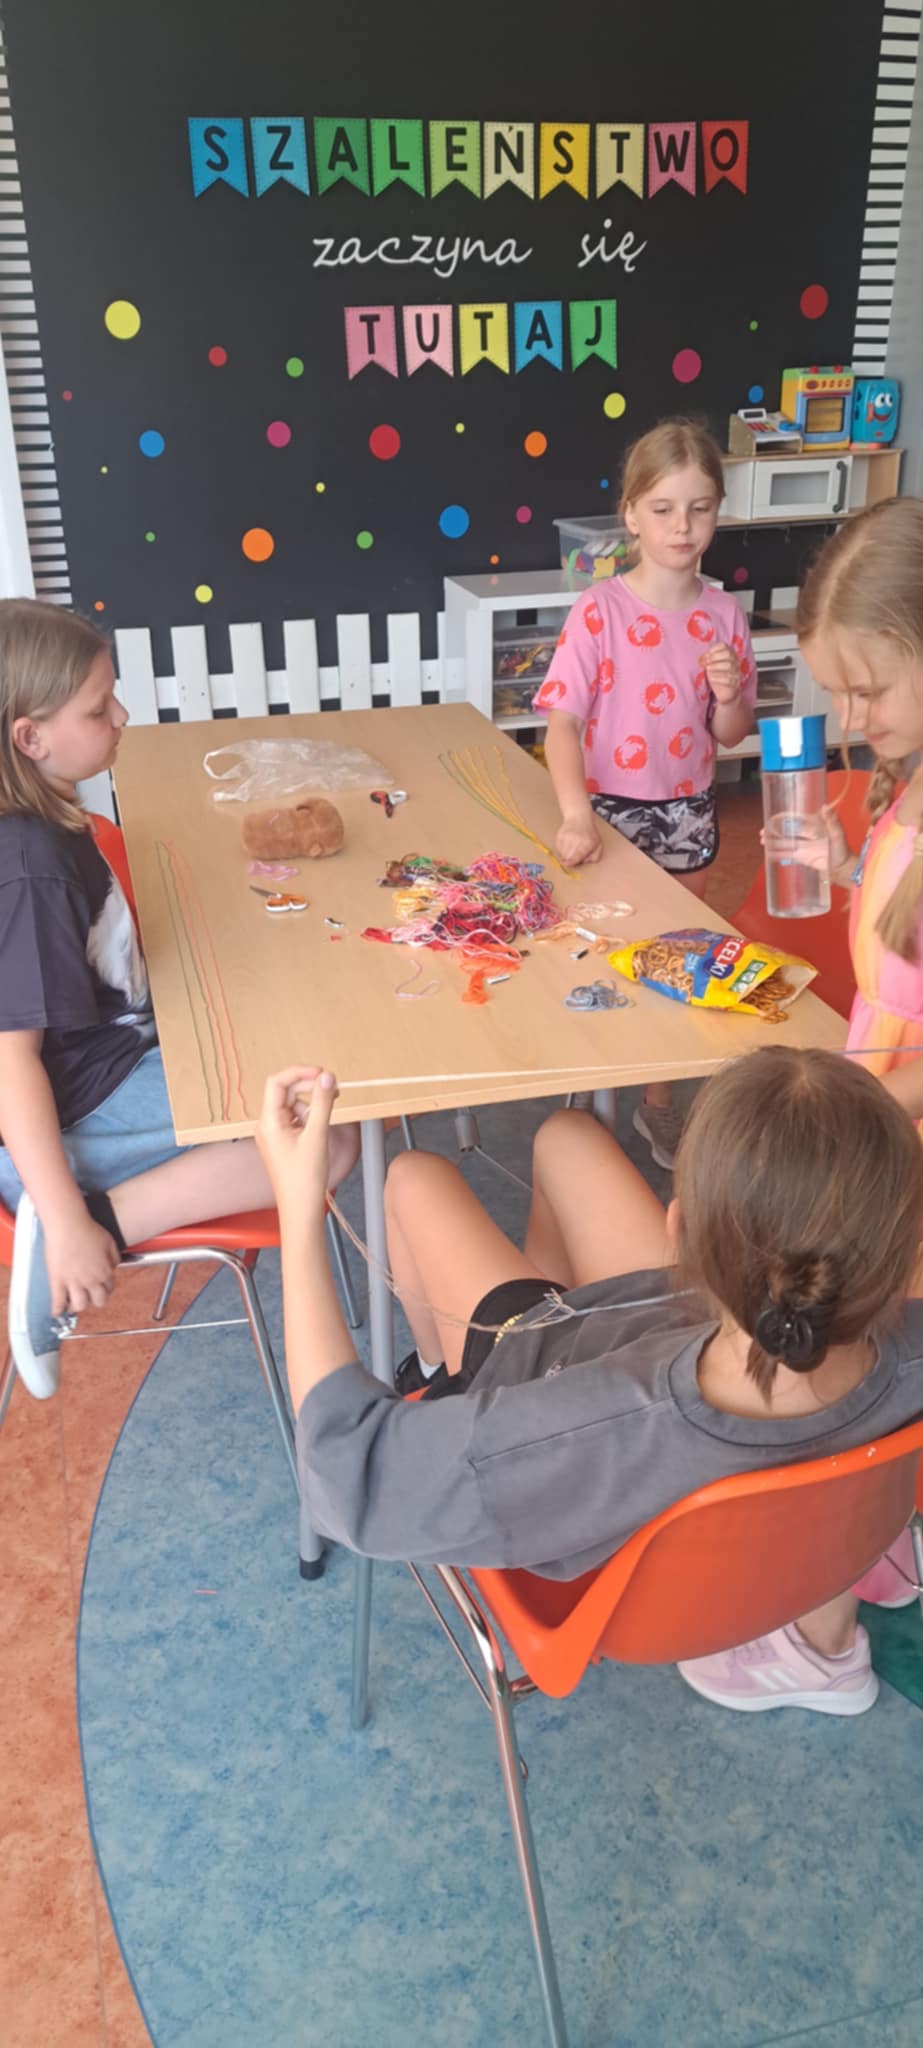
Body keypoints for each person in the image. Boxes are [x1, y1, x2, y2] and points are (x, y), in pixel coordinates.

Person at [256, 1044, 923, 1718]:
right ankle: (476, 1344)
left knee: (412, 1176)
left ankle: (441, 1374)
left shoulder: (578, 1434)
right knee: (566, 1136)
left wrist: (298, 1208)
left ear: (679, 1233)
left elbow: (345, 1469)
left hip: (560, 1404)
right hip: (660, 1358)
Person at [0, 598, 358, 1397]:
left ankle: (88, 1214)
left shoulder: (51, 816)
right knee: (329, 1138)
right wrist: (67, 1220)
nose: (122, 717)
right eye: (99, 708)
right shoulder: (28, 868)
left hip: (114, 1064)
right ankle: (87, 1228)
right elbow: (10, 1061)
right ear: (30, 738)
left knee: (307, 1049)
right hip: (70, 1125)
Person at [534, 419, 756, 1168]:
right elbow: (561, 726)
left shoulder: (724, 615)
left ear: (717, 512)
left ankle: (656, 1103)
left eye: (699, 508)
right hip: (605, 811)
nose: (682, 527)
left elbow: (730, 734)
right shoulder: (599, 609)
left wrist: (729, 694)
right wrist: (575, 814)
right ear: (630, 514)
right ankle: (591, 1091)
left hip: (687, 813)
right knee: (600, 952)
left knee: (675, 958)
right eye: (663, 509)